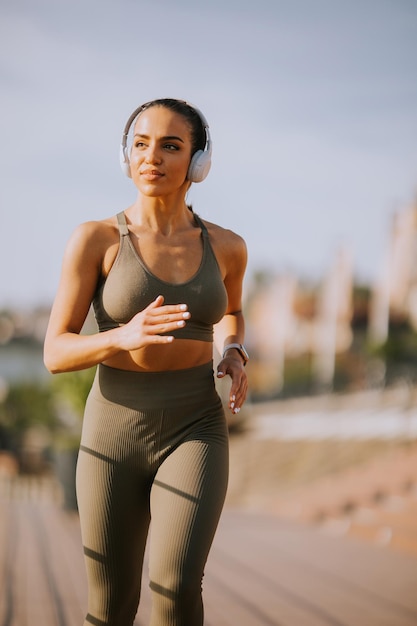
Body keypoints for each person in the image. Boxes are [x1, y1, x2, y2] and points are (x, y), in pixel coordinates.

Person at [44, 98, 249, 626]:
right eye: (140, 144)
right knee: (110, 604)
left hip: (196, 423)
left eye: (171, 145)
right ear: (125, 156)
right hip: (114, 425)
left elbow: (232, 312)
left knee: (177, 586)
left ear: (198, 164)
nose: (151, 157)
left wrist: (232, 349)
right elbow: (56, 351)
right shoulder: (97, 240)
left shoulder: (226, 246)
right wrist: (121, 337)